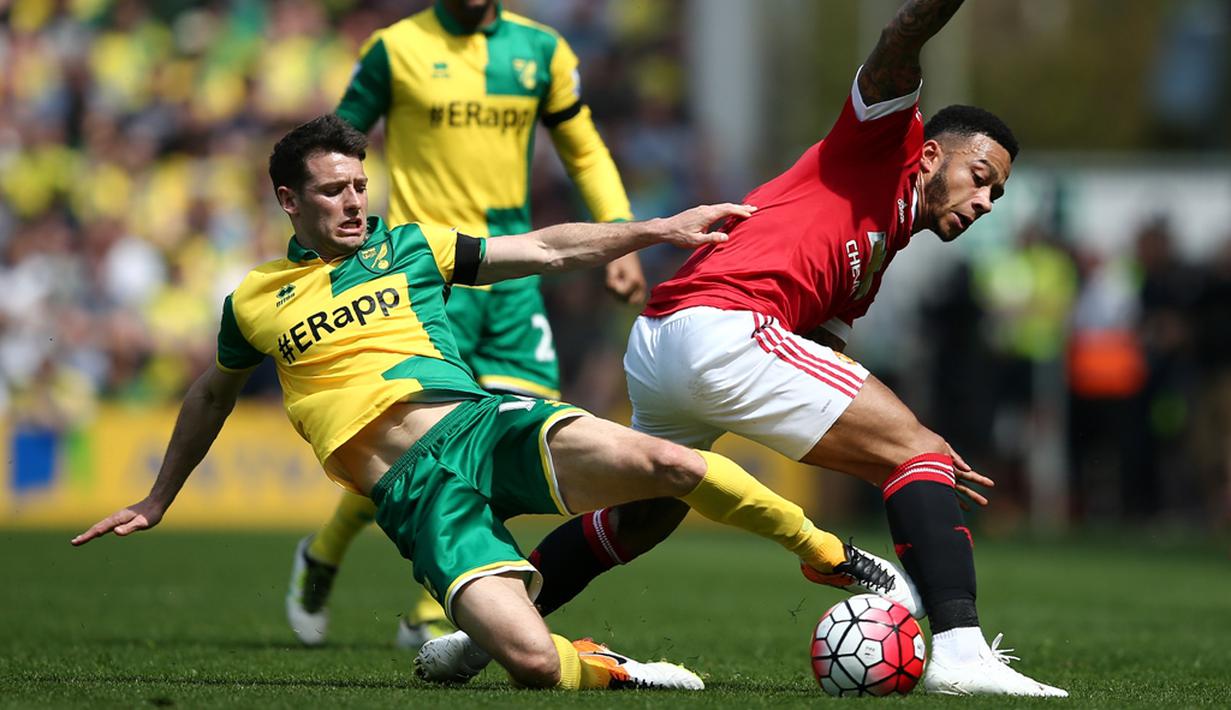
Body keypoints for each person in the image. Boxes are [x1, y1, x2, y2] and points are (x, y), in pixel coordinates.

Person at [71, 115, 920, 691]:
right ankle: (616, 669)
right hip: (416, 496)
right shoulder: (254, 301)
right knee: (531, 664)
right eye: (332, 191)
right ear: (288, 201)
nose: (354, 201)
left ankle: (826, 554)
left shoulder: (408, 246)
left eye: (360, 185)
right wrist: (157, 498)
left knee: (665, 462)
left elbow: (548, 248)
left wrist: (660, 229)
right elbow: (208, 396)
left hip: (484, 428)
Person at [418, 0, 1069, 698]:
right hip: (717, 327)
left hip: (666, 342)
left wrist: (895, 456)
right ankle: (961, 652)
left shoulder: (873, 259)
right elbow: (900, 37)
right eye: (979, 177)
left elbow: (821, 352)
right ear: (932, 154)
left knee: (645, 513)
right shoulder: (882, 145)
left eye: (997, 193)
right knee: (917, 453)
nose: (985, 200)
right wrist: (917, 460)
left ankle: (480, 634)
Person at [286, 0, 648, 649]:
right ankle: (333, 556)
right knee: (416, 446)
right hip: (426, 276)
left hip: (508, 276)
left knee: (513, 442)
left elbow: (583, 149)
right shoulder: (395, 49)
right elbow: (331, 153)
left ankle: (424, 597)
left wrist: (618, 237)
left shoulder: (541, 51)